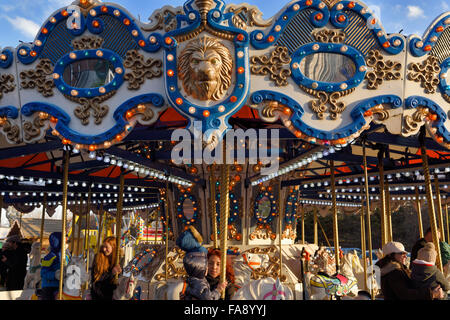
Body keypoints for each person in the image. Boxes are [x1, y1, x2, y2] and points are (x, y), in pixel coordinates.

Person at [375, 241, 444, 300]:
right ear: (391, 255)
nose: (405, 256)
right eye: (401, 253)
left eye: (405, 253)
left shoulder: (391, 269)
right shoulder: (394, 272)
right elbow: (405, 294)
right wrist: (431, 294)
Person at [176, 226, 226, 300]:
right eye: (210, 263)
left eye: (218, 264)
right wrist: (218, 291)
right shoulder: (200, 281)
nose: (213, 267)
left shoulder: (192, 279)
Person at [40, 232, 63, 300]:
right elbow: (43, 273)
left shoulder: (65, 257)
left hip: (61, 285)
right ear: (57, 242)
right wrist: (55, 275)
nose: (65, 244)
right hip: (49, 286)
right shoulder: (49, 257)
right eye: (63, 242)